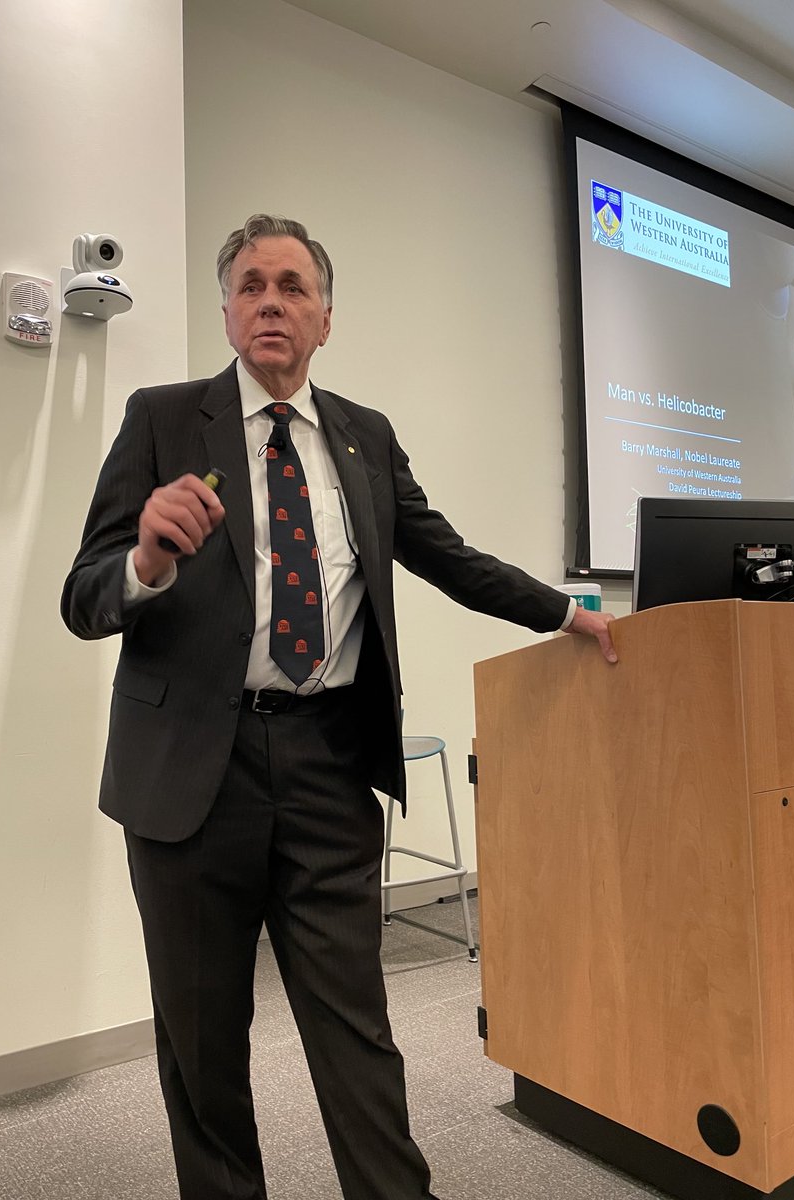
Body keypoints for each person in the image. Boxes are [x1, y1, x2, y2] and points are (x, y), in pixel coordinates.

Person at [61, 214, 616, 1200]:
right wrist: (143, 561)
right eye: (249, 286)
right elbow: (83, 595)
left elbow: (448, 556)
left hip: (328, 767)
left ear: (325, 317)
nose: (269, 301)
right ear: (228, 311)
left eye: (291, 286)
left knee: (357, 1032)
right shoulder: (160, 419)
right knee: (203, 1046)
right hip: (193, 776)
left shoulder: (364, 436)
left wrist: (567, 613)